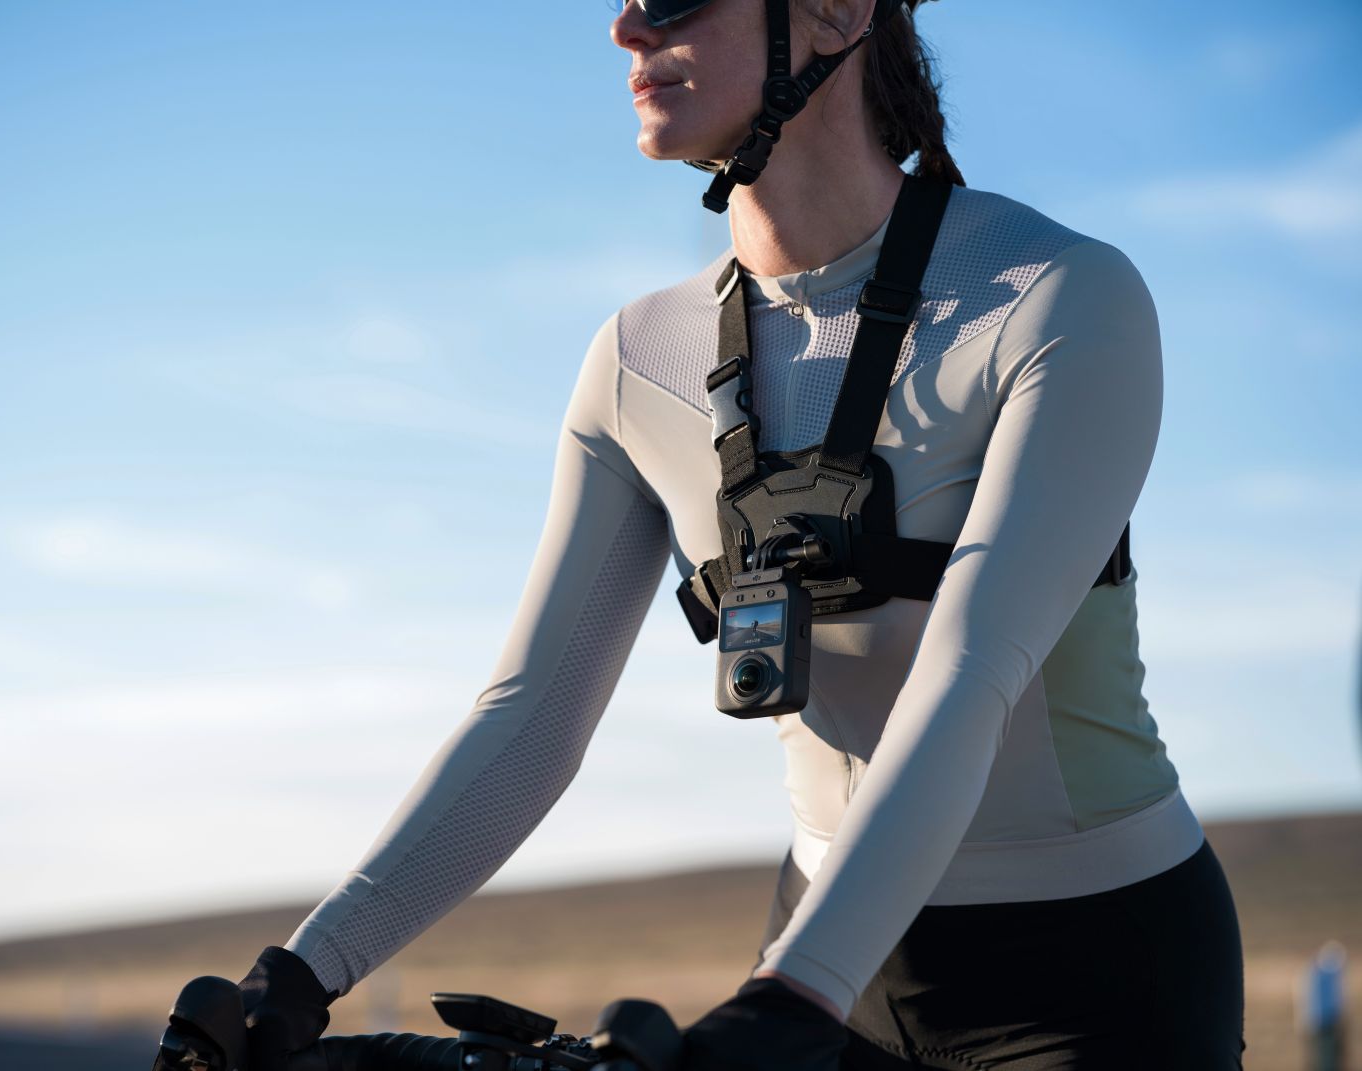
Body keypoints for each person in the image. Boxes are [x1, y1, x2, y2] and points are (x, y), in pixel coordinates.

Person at [216, 1, 1249, 1068]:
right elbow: (532, 717)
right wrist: (301, 972)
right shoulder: (639, 358)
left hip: (1088, 969)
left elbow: (971, 670)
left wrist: (790, 998)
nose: (626, 29)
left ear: (835, 11)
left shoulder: (1056, 295)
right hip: (820, 966)